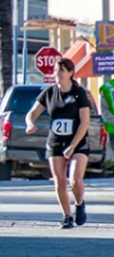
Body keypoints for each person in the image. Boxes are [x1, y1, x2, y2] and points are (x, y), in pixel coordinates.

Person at [24, 58, 92, 228]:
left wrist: (73, 146)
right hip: (55, 142)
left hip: (77, 141)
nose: (57, 74)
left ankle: (79, 204)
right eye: (56, 71)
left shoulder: (79, 93)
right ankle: (66, 216)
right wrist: (30, 123)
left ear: (70, 73)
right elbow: (32, 113)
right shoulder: (49, 93)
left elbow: (85, 122)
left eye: (61, 71)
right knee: (59, 181)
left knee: (75, 180)